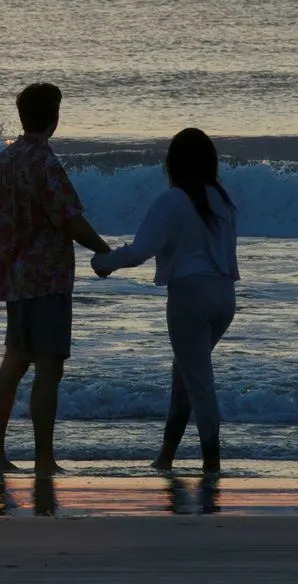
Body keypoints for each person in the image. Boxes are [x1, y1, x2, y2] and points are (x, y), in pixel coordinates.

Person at [92, 127, 239, 472]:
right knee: (185, 373)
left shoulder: (173, 200)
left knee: (198, 381)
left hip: (191, 296)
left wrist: (104, 263)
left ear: (173, 163)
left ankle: (211, 463)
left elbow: (140, 251)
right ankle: (166, 457)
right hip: (225, 296)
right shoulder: (222, 198)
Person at [0, 82, 112, 474]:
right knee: (48, 367)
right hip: (47, 278)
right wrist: (107, 252)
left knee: (14, 362)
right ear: (54, 118)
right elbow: (69, 219)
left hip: (14, 277)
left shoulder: (2, 162)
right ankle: (43, 458)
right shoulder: (46, 164)